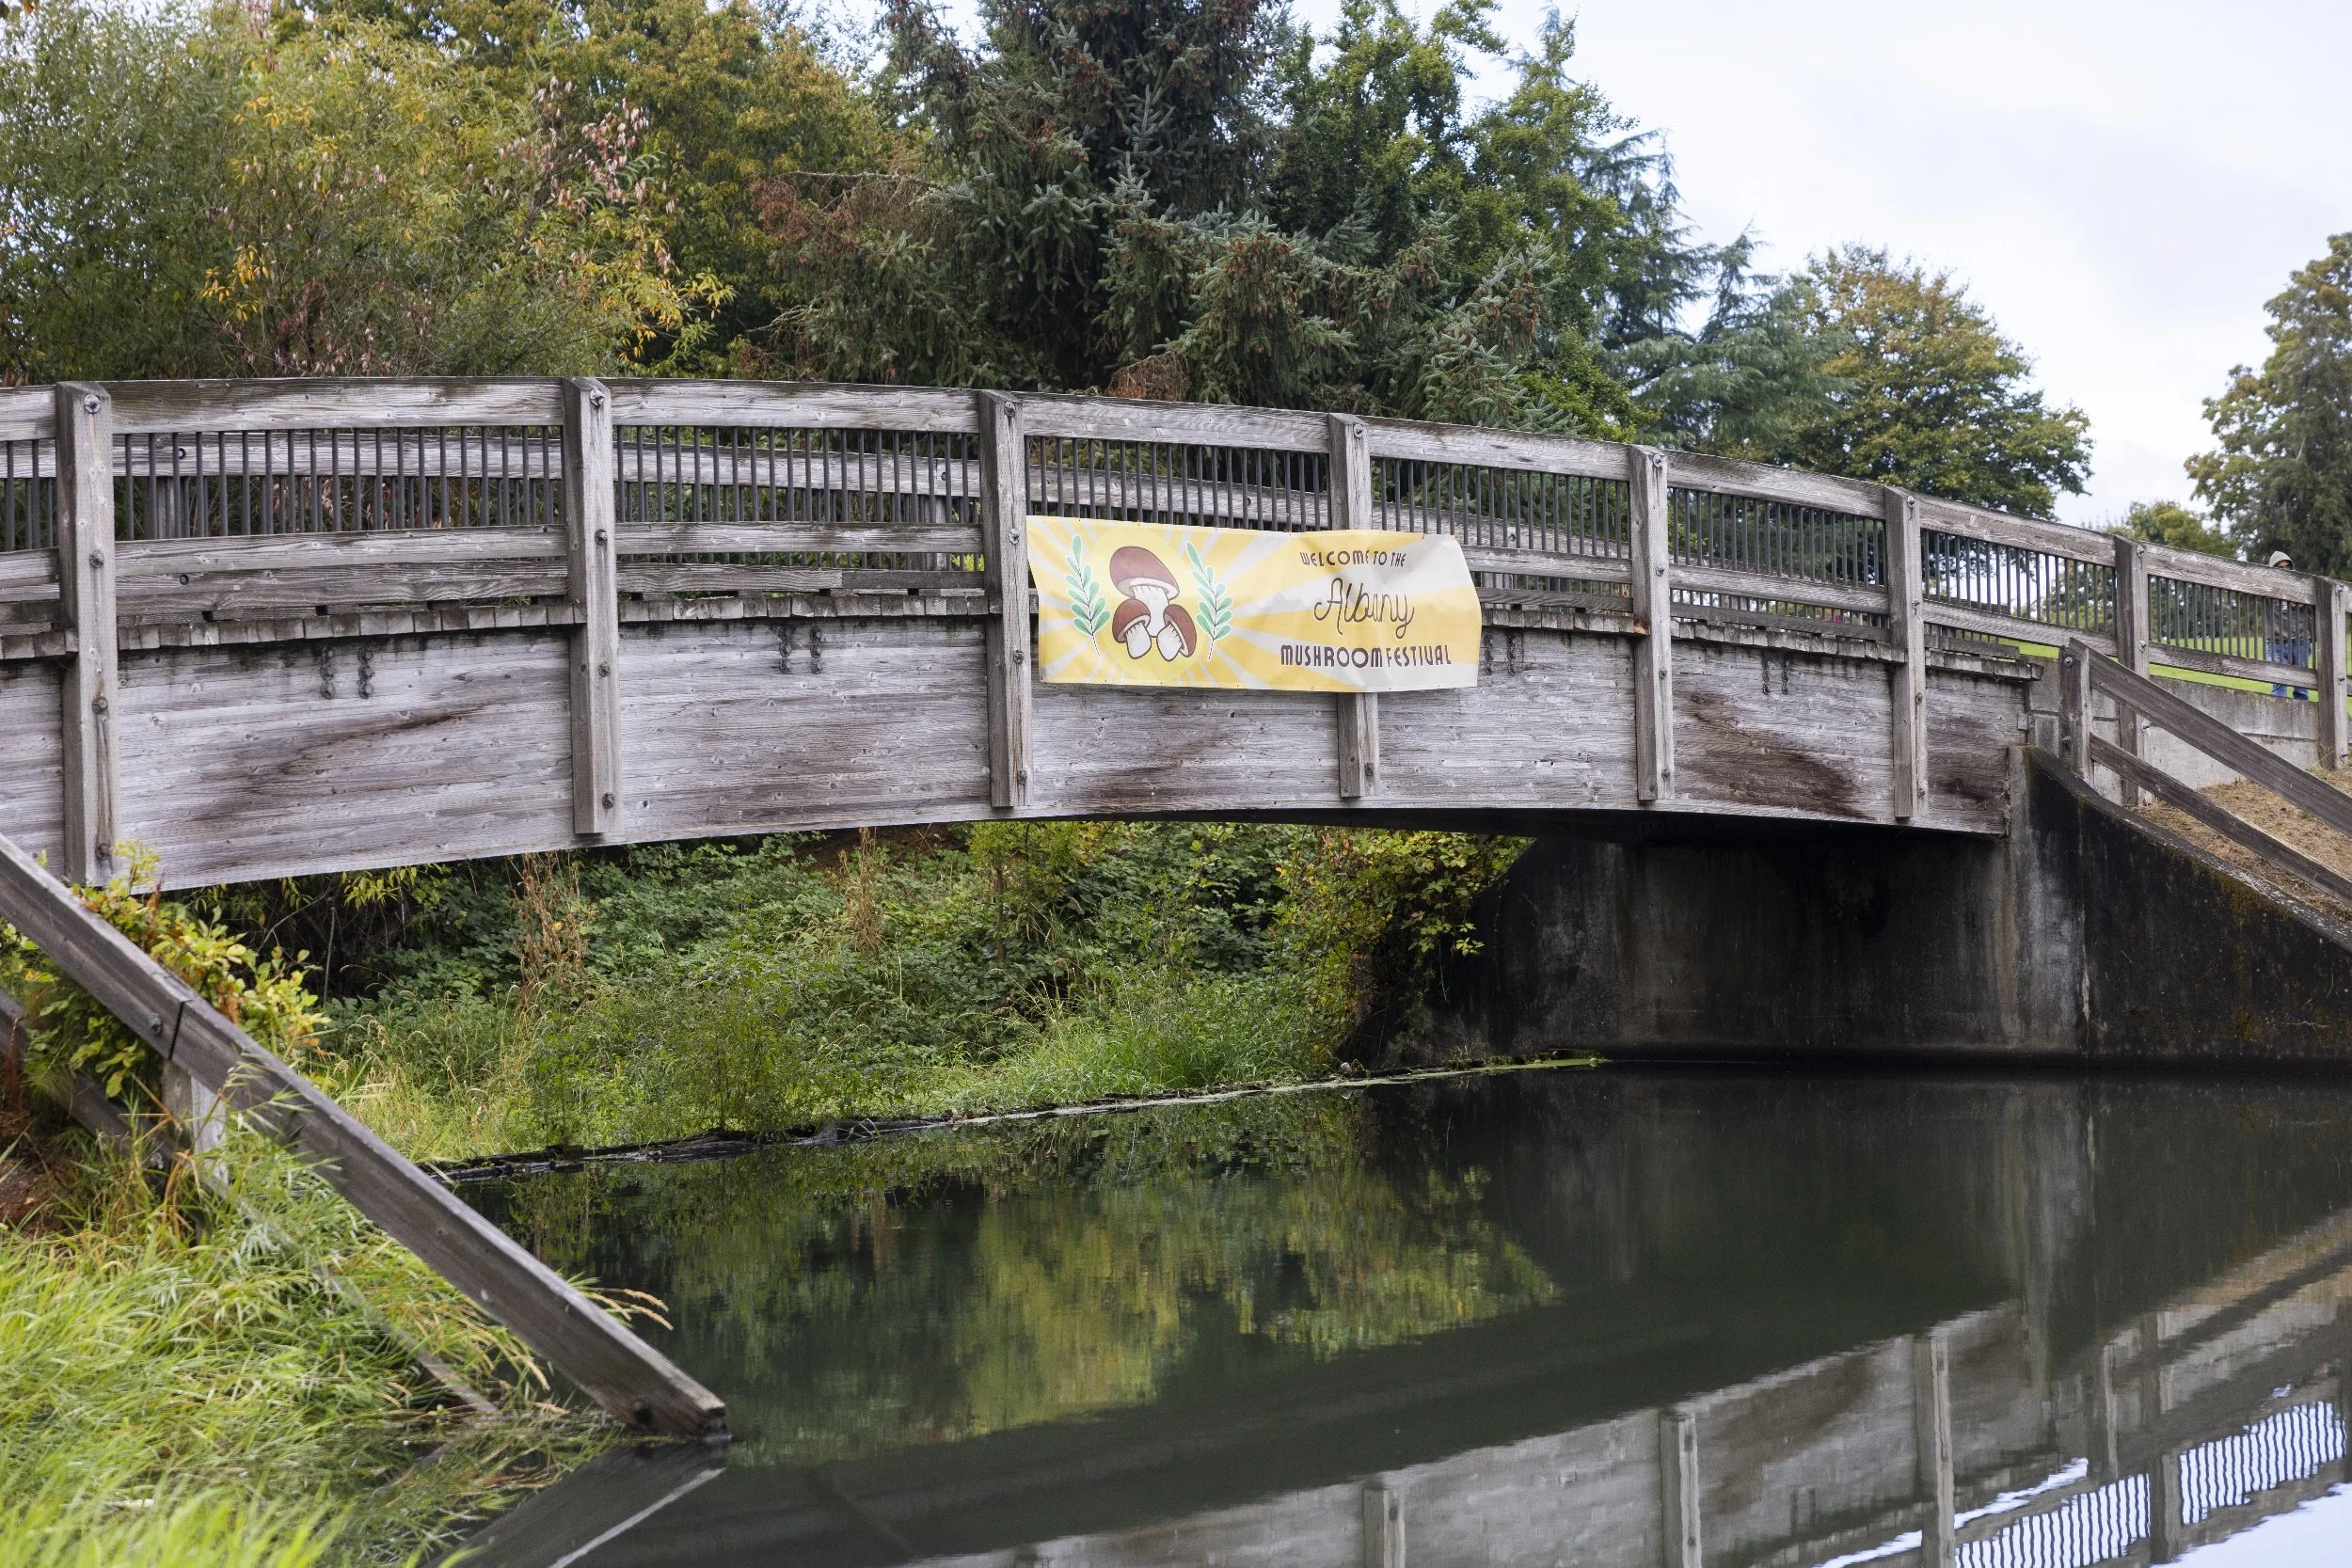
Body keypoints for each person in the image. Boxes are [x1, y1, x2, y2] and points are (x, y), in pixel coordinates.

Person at [2264, 550, 2313, 699]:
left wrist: (2299, 600)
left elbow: (2314, 609)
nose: (2285, 571)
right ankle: (2279, 721)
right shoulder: (2265, 587)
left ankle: (2302, 721)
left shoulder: (2302, 587)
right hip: (2276, 642)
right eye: (2280, 568)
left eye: (2287, 567)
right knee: (2278, 685)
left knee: (2301, 688)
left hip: (2301, 641)